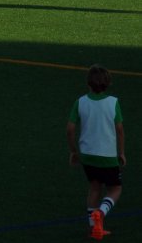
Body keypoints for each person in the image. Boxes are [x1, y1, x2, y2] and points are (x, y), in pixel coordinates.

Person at [67, 65, 126, 240]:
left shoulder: (80, 102)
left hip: (87, 154)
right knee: (115, 189)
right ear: (108, 84)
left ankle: (94, 229)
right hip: (107, 156)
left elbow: (70, 129)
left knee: (94, 188)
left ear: (88, 84)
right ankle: (101, 212)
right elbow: (120, 129)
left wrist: (73, 151)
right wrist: (121, 152)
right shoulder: (113, 102)